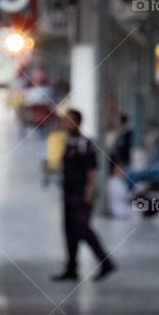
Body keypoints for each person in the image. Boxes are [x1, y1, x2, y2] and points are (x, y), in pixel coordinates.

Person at [52, 109, 117, 282]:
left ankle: (106, 261)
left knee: (83, 228)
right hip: (68, 192)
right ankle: (71, 267)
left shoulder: (84, 144)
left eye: (70, 121)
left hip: (81, 193)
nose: (66, 124)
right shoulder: (68, 142)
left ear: (78, 123)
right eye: (65, 121)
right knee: (69, 231)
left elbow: (91, 170)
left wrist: (89, 191)